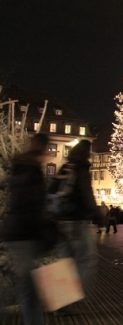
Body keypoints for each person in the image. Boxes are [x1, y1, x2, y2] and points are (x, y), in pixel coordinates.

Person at [2, 134, 49, 325]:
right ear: (42, 151)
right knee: (27, 287)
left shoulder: (21, 168)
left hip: (16, 231)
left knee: (25, 284)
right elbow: (33, 205)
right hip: (24, 233)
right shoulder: (32, 172)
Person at [53, 140, 98, 301]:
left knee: (65, 262)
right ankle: (70, 299)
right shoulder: (81, 168)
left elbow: (51, 189)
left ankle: (59, 299)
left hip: (59, 220)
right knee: (86, 259)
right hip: (75, 221)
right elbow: (87, 194)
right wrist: (97, 215)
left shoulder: (66, 166)